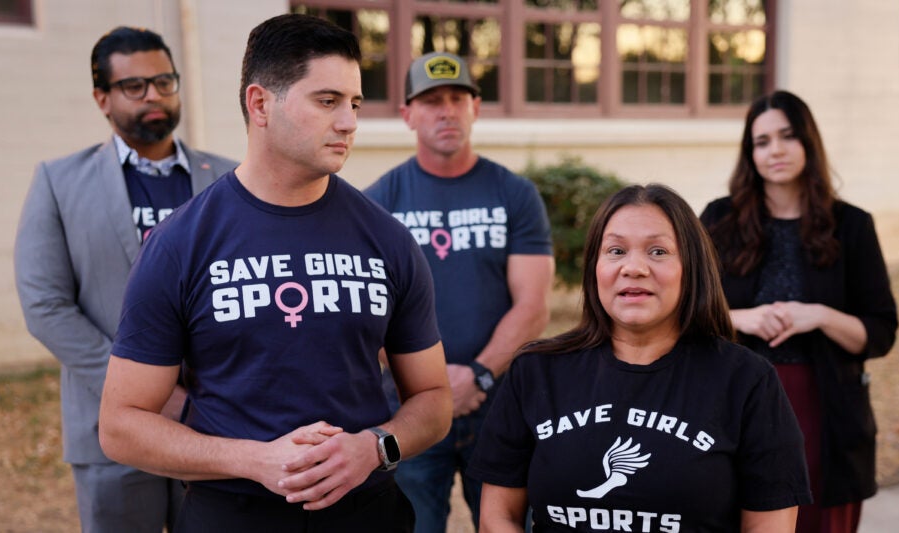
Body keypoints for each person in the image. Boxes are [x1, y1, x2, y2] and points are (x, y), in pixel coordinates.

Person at [97, 14, 451, 532]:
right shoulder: (181, 243)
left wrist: (375, 448)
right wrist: (254, 460)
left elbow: (434, 399)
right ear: (260, 104)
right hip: (232, 515)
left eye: (354, 103)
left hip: (367, 513)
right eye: (327, 101)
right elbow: (120, 426)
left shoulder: (387, 239)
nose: (350, 122)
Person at [469, 184, 812, 532]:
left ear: (690, 268)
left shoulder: (746, 381)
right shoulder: (535, 372)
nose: (634, 268)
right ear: (595, 268)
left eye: (658, 251)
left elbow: (769, 526)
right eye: (616, 250)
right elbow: (498, 517)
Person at [14, 26, 237, 532]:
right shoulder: (59, 181)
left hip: (217, 423)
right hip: (107, 428)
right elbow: (45, 306)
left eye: (164, 81)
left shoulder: (229, 181)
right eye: (135, 86)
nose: (154, 95)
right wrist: (144, 392)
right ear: (102, 97)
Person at [365, 51, 554, 532]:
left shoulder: (514, 193)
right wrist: (431, 386)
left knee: (510, 524)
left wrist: (478, 375)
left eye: (457, 97)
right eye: (430, 101)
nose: (446, 110)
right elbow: (368, 312)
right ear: (407, 114)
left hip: (499, 405)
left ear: (476, 107)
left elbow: (532, 307)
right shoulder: (378, 202)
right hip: (409, 409)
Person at [699, 90, 899, 533]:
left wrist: (821, 316)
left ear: (808, 141)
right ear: (750, 153)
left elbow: (882, 331)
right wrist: (740, 317)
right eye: (762, 141)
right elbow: (684, 309)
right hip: (736, 398)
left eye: (787, 136)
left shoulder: (852, 225)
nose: (776, 151)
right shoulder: (719, 220)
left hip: (823, 405)